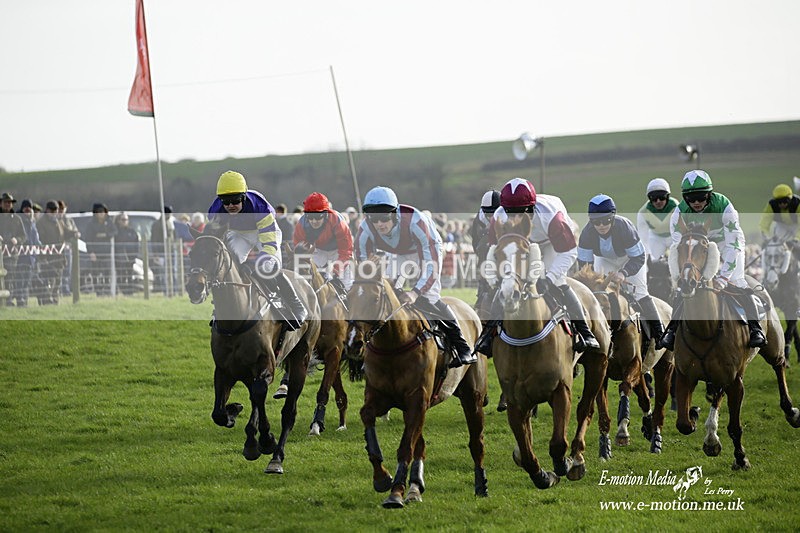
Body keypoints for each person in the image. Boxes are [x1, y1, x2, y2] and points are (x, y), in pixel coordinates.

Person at [475, 177, 600, 356]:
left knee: (556, 281)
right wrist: (496, 276)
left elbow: (570, 252)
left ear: (531, 208)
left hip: (551, 242)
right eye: (511, 213)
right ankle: (488, 334)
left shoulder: (552, 217)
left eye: (521, 214)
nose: (516, 219)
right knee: (506, 284)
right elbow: (494, 249)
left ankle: (585, 332)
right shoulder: (499, 218)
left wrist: (548, 279)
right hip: (521, 243)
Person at [354, 185, 477, 367]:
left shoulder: (416, 222)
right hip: (399, 254)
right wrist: (370, 268)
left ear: (395, 214)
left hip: (428, 251)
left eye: (384, 218)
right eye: (374, 219)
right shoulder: (365, 230)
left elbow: (431, 267)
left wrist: (415, 292)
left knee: (429, 298)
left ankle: (462, 346)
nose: (379, 224)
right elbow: (365, 273)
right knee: (386, 295)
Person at [658, 170, 766, 350]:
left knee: (736, 281)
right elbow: (679, 249)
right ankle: (672, 330)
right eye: (691, 199)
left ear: (709, 194)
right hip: (696, 244)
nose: (696, 203)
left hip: (726, 242)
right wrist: (681, 277)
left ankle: (756, 329)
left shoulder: (724, 206)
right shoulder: (678, 214)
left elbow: (733, 245)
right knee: (684, 287)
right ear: (685, 199)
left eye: (701, 197)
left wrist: (723, 279)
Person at [208, 170, 307, 330]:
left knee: (267, 267)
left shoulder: (259, 207)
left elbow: (268, 244)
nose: (230, 206)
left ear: (244, 196)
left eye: (235, 200)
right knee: (228, 266)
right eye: (226, 202)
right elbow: (215, 239)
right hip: (239, 234)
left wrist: (257, 263)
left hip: (265, 232)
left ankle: (295, 305)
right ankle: (219, 309)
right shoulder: (215, 212)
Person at [578, 194, 664, 345]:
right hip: (604, 259)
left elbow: (638, 257)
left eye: (606, 221)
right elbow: (585, 267)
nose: (601, 226)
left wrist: (624, 273)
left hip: (630, 259)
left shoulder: (624, 227)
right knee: (598, 294)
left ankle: (661, 334)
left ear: (613, 217)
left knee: (640, 293)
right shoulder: (586, 234)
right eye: (596, 222)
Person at [293, 192, 354, 294]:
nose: (313, 221)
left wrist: (336, 270)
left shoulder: (338, 222)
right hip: (319, 250)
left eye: (318, 217)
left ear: (326, 214)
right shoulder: (302, 224)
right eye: (310, 217)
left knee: (347, 284)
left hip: (338, 251)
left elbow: (346, 251)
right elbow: (300, 250)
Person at [470, 190, 500, 317]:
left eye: (494, 214)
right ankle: (481, 296)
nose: (491, 217)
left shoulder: (506, 215)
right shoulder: (479, 220)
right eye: (489, 214)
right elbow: (475, 244)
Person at [636, 178, 679, 261]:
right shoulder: (643, 212)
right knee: (654, 261)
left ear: (667, 196)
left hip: (673, 236)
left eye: (661, 197)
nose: (658, 201)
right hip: (656, 237)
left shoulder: (675, 207)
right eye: (654, 198)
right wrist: (648, 256)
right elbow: (643, 237)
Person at [35, 200, 68, 304]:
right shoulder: (41, 223)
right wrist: (43, 257)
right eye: (53, 210)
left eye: (56, 210)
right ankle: (46, 300)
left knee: (58, 280)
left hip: (59, 257)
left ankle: (54, 299)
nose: (55, 213)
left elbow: (65, 232)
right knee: (49, 280)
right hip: (48, 258)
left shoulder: (59, 221)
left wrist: (75, 233)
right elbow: (41, 241)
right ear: (47, 210)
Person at [84, 203, 117, 296]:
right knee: (96, 272)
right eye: (99, 212)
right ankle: (98, 291)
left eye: (103, 212)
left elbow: (115, 231)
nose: (101, 214)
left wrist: (106, 235)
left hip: (106, 252)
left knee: (107, 271)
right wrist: (91, 252)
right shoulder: (91, 224)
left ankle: (107, 289)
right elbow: (88, 239)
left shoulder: (109, 222)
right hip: (96, 252)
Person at [0, 192, 27, 306]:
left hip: (12, 254)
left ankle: (9, 300)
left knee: (10, 277)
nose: (8, 204)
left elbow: (24, 236)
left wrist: (17, 239)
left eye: (10, 203)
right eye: (6, 202)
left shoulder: (17, 219)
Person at [114, 212, 141, 295]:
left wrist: (134, 255)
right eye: (123, 220)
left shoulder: (132, 232)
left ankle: (129, 292)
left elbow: (136, 244)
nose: (125, 221)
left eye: (126, 220)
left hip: (130, 258)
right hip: (119, 258)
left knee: (129, 275)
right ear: (118, 221)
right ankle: (120, 291)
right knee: (120, 275)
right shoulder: (115, 232)